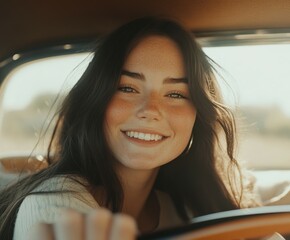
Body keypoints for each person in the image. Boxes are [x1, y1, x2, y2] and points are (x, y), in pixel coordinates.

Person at [0, 17, 282, 240]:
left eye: (175, 94)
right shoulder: (52, 202)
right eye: (127, 88)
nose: (150, 110)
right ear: (95, 101)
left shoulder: (188, 204)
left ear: (198, 115)